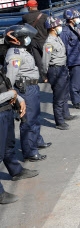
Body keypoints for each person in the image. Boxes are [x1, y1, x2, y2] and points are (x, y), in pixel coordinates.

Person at [4, 24, 50, 162]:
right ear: (16, 39)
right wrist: (15, 97)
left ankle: (36, 141)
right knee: (28, 121)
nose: (28, 40)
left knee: (35, 117)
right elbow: (10, 79)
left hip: (32, 88)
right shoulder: (14, 56)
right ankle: (30, 152)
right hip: (25, 89)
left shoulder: (22, 50)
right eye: (25, 37)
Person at [0, 74, 39, 205]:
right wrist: (12, 95)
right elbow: (10, 92)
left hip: (5, 111)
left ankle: (16, 171)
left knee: (8, 147)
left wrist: (19, 98)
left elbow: (7, 86)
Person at [41, 17, 74, 130]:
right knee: (59, 97)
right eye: (58, 26)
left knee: (65, 93)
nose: (60, 27)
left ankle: (66, 114)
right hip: (55, 70)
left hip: (62, 68)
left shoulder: (57, 38)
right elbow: (45, 61)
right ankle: (59, 121)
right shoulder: (49, 43)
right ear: (53, 28)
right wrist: (45, 74)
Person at [60, 9, 80, 108]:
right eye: (76, 17)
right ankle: (76, 101)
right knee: (75, 82)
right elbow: (63, 47)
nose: (78, 19)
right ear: (70, 19)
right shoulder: (65, 32)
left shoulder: (77, 27)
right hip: (73, 60)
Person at [19, 0, 49, 81]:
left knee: (38, 60)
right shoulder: (45, 16)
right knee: (48, 58)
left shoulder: (25, 17)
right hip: (44, 40)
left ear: (30, 7)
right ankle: (50, 75)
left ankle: (44, 77)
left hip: (33, 41)